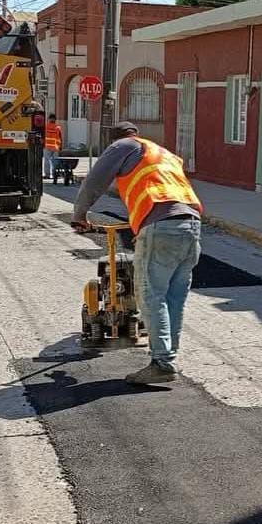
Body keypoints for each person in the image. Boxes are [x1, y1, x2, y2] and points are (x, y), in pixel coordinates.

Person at [72, 122, 203, 384]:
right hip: (191, 225)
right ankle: (167, 358)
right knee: (174, 298)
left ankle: (162, 363)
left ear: (114, 139)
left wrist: (79, 215)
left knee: (151, 295)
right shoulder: (160, 152)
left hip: (162, 225)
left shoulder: (122, 146)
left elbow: (94, 181)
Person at [43, 114, 63, 179]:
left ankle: (47, 175)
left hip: (47, 147)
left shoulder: (46, 127)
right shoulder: (58, 128)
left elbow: (43, 136)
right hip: (55, 147)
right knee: (55, 161)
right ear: (55, 120)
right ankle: (55, 174)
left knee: (47, 161)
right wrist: (60, 146)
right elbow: (60, 138)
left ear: (49, 119)